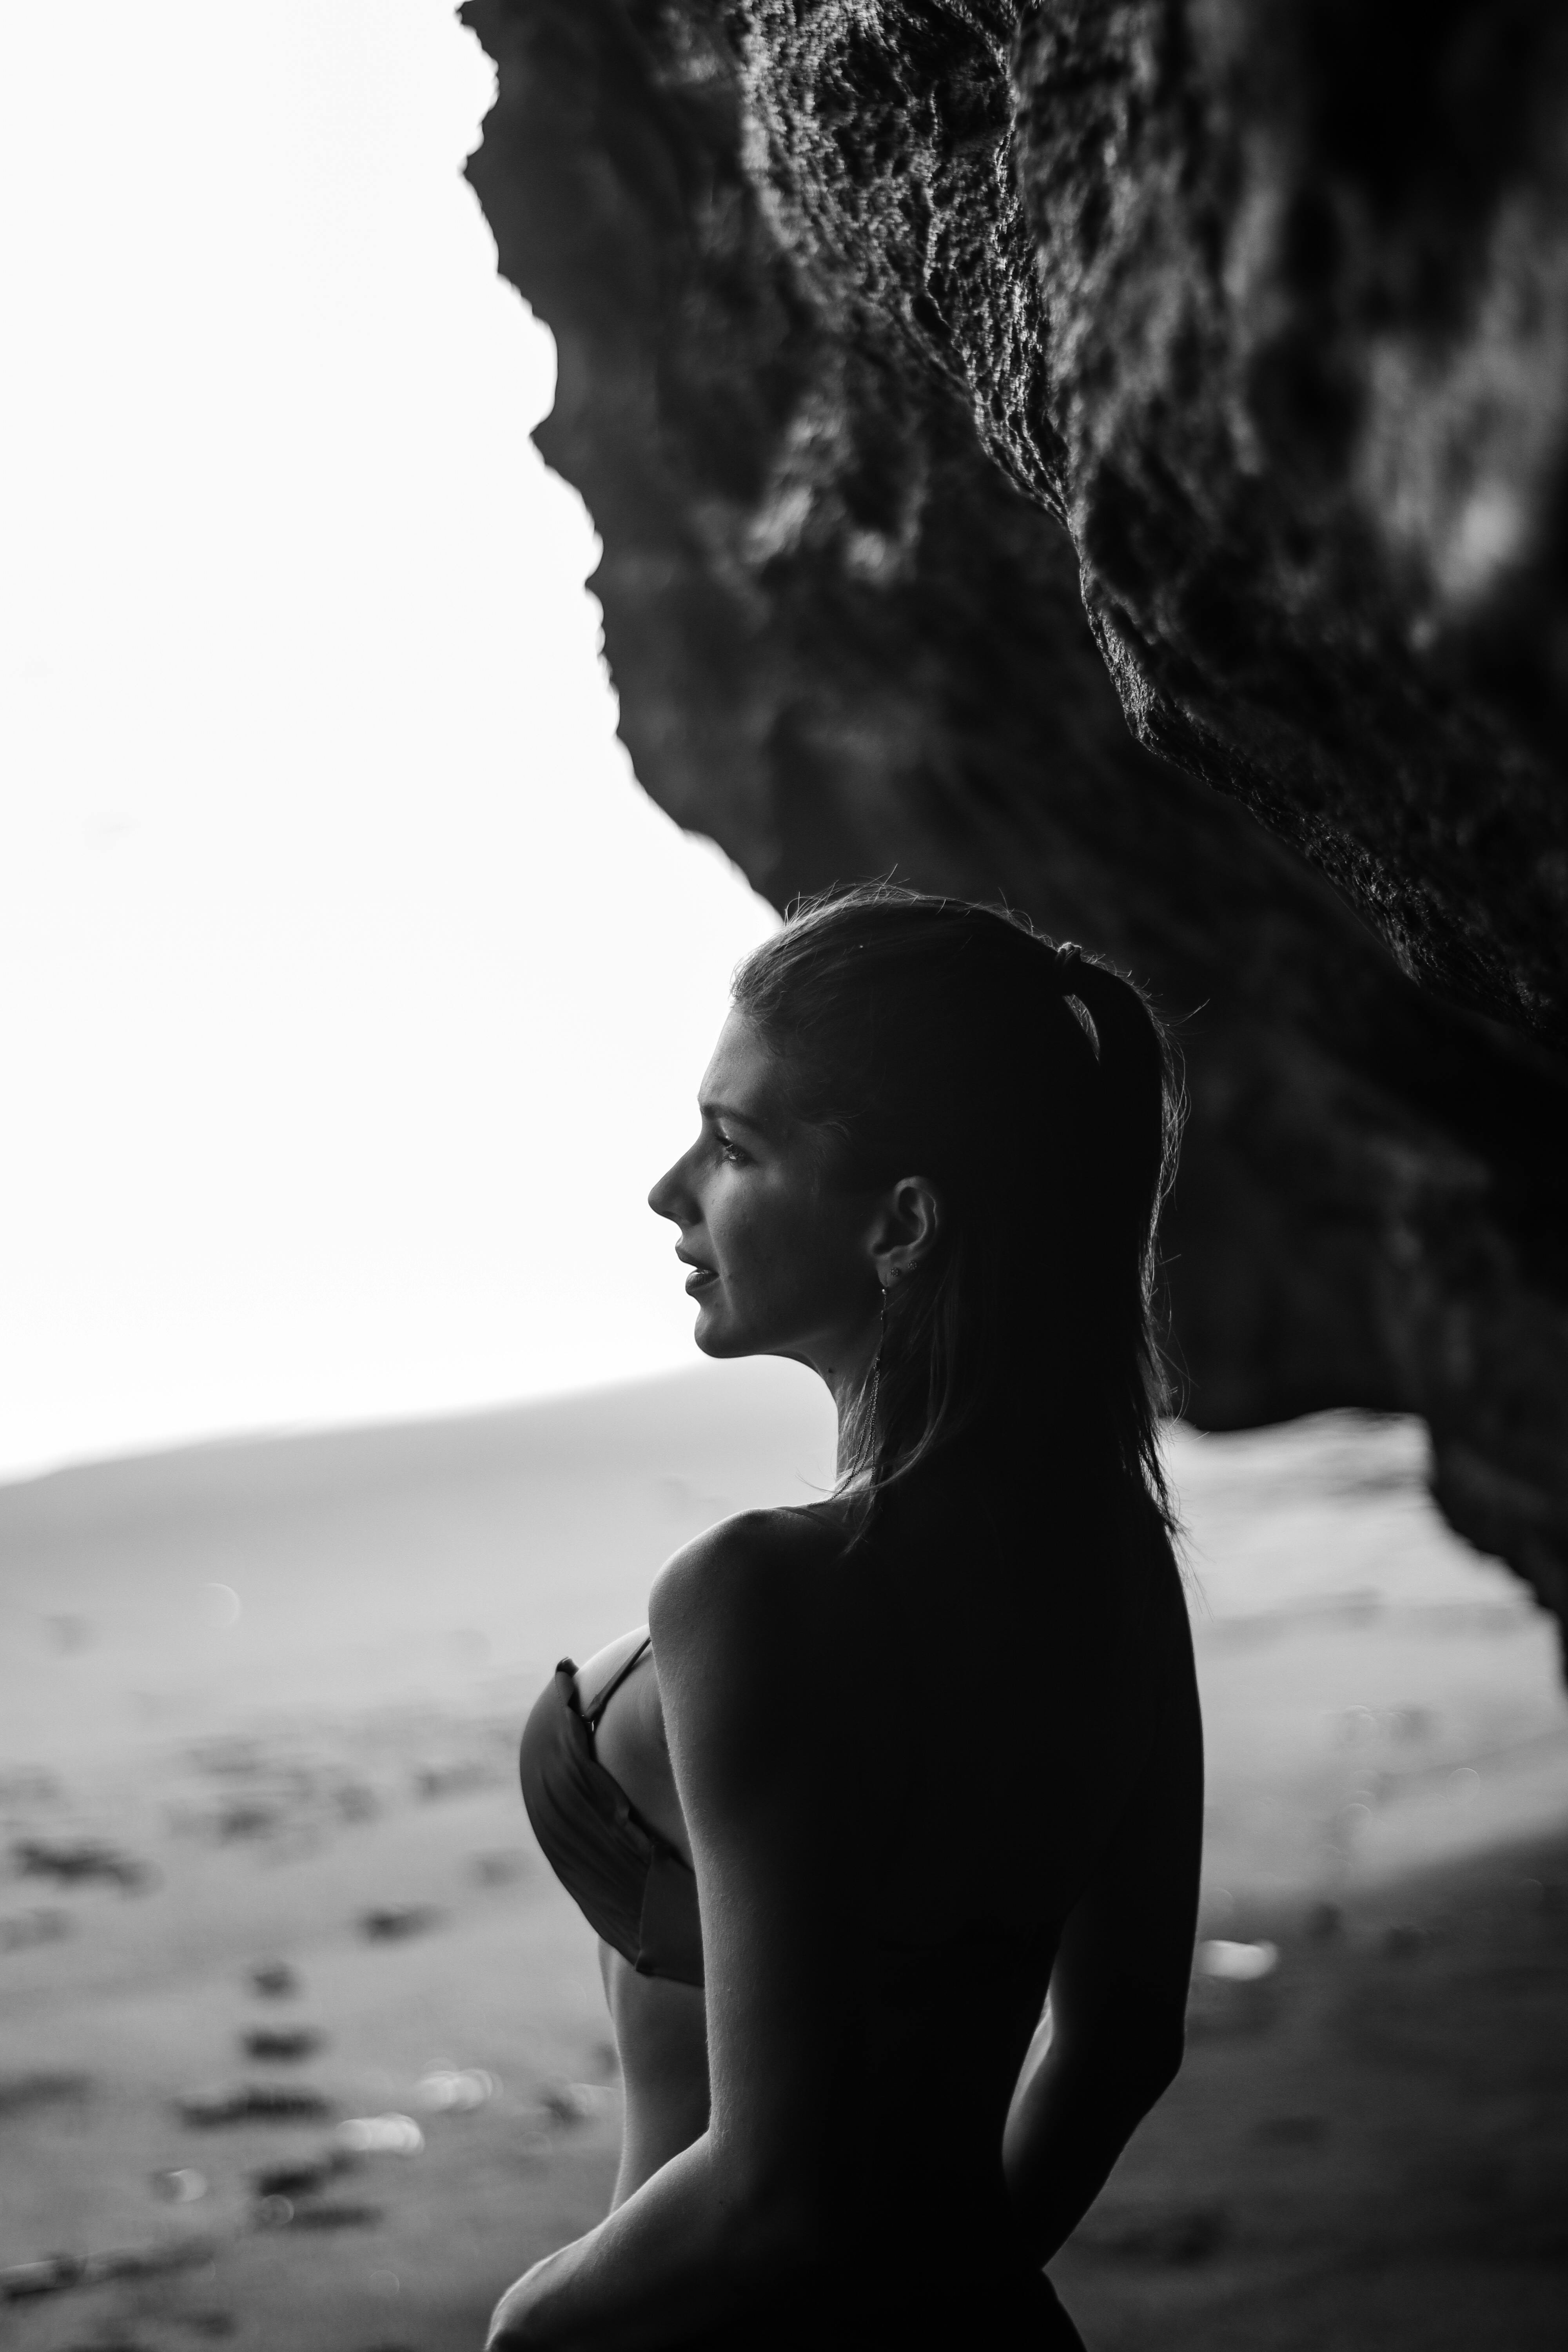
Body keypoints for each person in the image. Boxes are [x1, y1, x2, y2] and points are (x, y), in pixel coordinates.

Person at [497, 886, 1203, 2350]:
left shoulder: (755, 1591)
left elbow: (776, 2191)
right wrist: (949, 2289)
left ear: (902, 1226)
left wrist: (526, 2332)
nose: (669, 1188)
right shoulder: (1115, 1563)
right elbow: (1124, 2043)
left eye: (734, 1145)